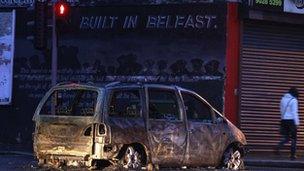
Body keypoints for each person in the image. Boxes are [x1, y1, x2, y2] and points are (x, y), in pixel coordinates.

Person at [275, 87, 300, 160]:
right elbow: (294, 112)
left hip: (284, 121)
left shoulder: (283, 99)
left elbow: (281, 110)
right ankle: (293, 155)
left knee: (287, 138)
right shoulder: (294, 100)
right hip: (291, 121)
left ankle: (278, 146)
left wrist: (283, 119)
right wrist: (297, 123)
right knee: (293, 139)